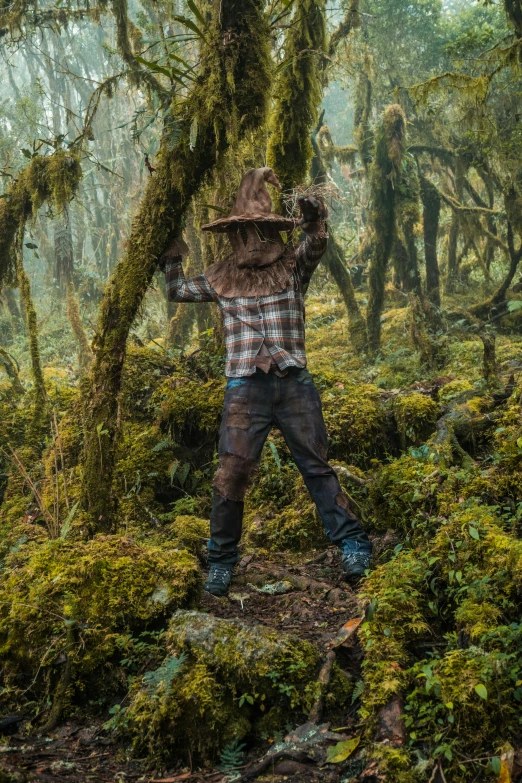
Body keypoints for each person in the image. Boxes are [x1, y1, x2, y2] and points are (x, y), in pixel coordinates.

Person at [160, 167, 372, 596]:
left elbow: (315, 244)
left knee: (315, 465)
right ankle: (220, 561)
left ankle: (353, 545)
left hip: (294, 383)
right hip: (244, 388)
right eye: (243, 231)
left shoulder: (292, 267)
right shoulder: (221, 276)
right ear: (233, 235)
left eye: (259, 229)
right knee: (231, 473)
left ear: (273, 229)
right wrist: (169, 247)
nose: (251, 238)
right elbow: (177, 290)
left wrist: (313, 215)